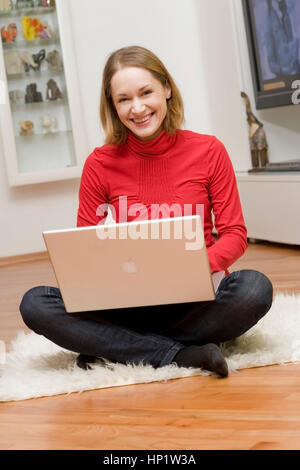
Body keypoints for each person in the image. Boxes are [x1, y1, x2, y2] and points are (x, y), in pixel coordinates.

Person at [19, 45, 273, 378]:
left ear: (166, 89)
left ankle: (117, 348)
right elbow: (84, 251)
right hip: (129, 305)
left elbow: (235, 235)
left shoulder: (209, 150)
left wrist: (191, 268)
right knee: (35, 303)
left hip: (196, 301)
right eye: (124, 99)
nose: (137, 108)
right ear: (112, 105)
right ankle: (179, 355)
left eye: (146, 93)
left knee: (254, 289)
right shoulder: (100, 163)